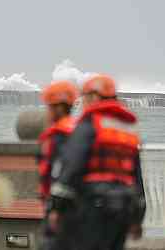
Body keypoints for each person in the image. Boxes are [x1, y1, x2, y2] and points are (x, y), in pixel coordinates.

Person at [50, 74, 146, 250]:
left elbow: (72, 166)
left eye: (84, 97)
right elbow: (136, 177)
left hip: (93, 206)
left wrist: (57, 207)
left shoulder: (90, 123)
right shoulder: (129, 129)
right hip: (123, 208)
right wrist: (137, 218)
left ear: (94, 96)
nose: (83, 103)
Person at [37, 80, 78, 250]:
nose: (47, 112)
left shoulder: (60, 135)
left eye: (49, 107)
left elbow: (61, 171)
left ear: (59, 108)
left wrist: (55, 208)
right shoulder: (79, 130)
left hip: (61, 209)